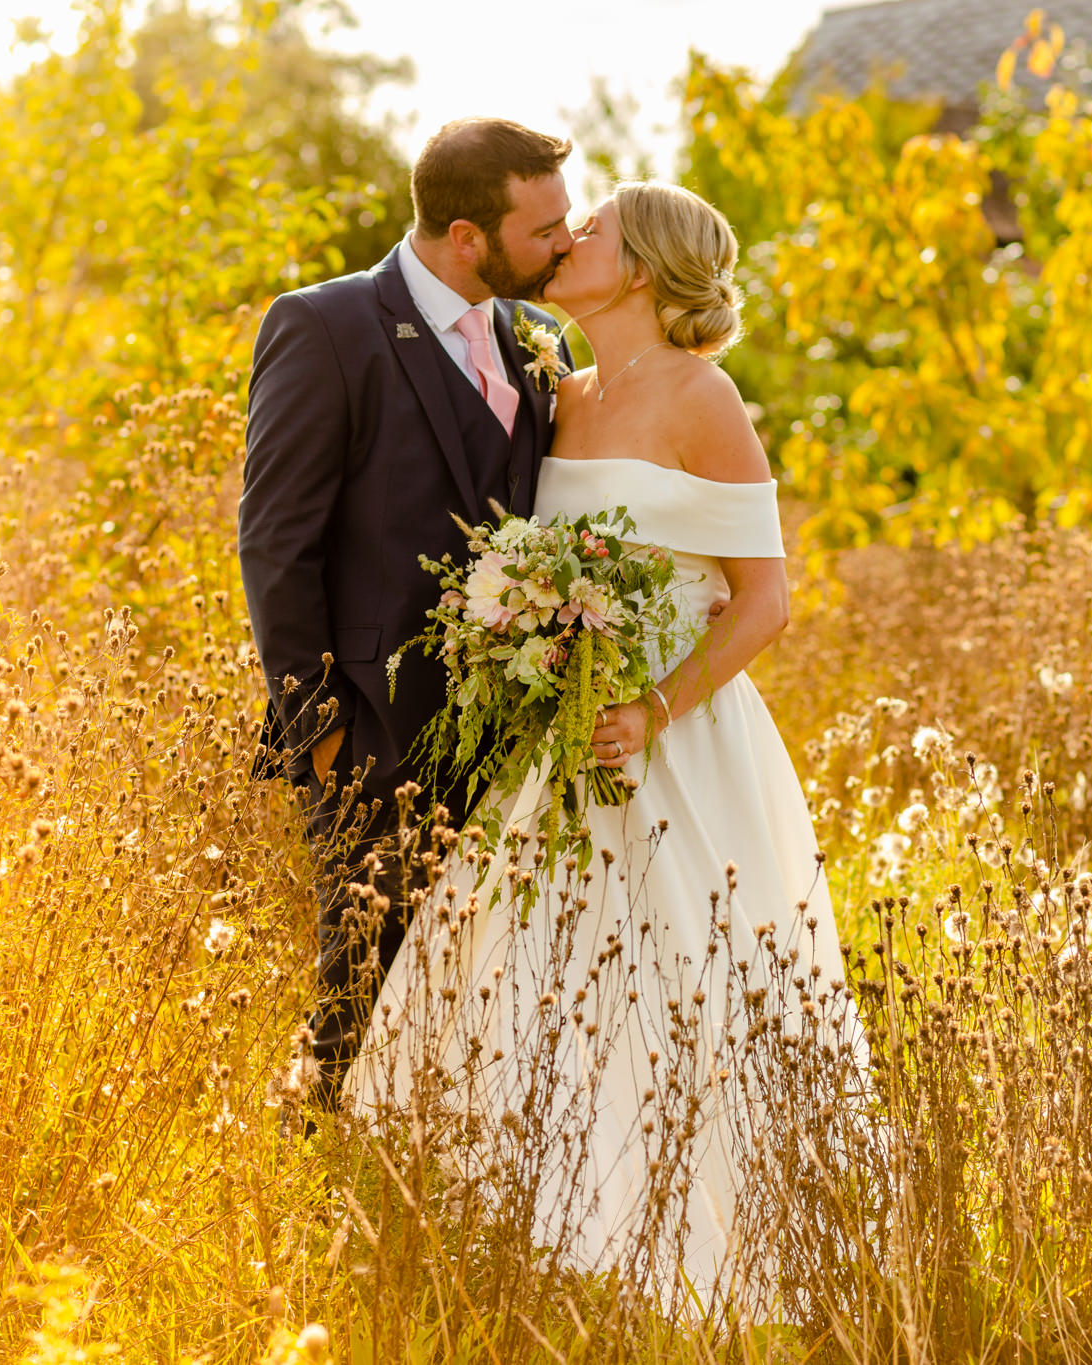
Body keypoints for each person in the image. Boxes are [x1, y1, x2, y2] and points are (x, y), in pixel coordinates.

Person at [347, 182, 868, 1313]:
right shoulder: (563, 388)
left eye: (590, 231)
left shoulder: (704, 395)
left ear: (637, 270)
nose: (566, 238)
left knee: (685, 978)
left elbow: (764, 601)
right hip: (558, 734)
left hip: (671, 737)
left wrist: (653, 707)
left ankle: (692, 1242)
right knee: (531, 963)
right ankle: (531, 1230)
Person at [237, 118, 575, 1111]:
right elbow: (273, 542)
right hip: (370, 728)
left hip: (506, 732)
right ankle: (315, 1193)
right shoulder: (324, 326)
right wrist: (318, 727)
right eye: (545, 226)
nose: (566, 240)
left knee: (474, 982)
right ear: (467, 236)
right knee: (360, 985)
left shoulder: (535, 340)